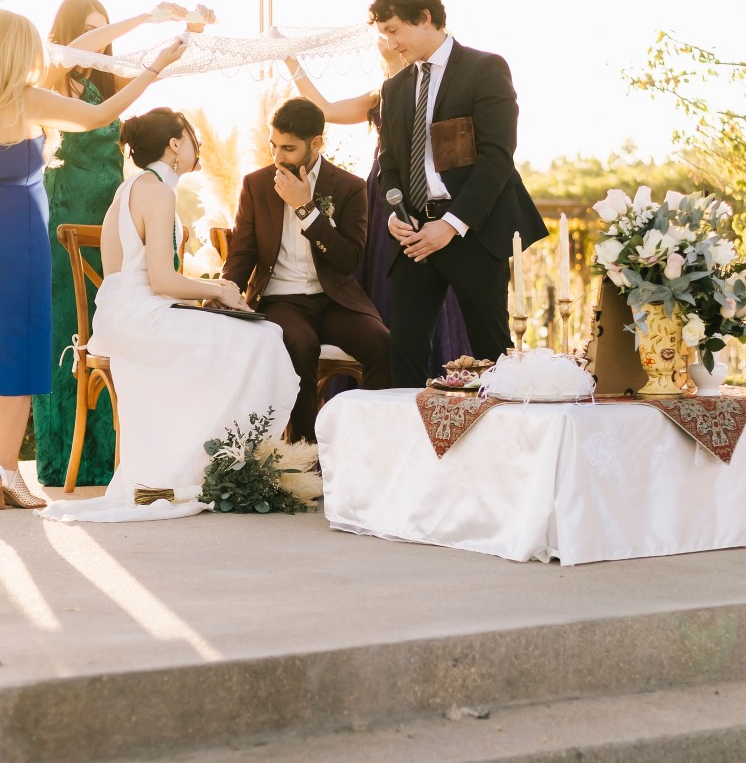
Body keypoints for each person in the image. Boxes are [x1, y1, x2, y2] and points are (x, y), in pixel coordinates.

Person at [0, 11, 183, 510]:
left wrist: (143, 19)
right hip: (16, 222)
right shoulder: (21, 99)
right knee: (18, 346)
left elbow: (77, 48)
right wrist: (154, 68)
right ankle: (6, 469)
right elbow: (97, 116)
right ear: (15, 53)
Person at [44, 108, 299, 523]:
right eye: (192, 136)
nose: (198, 144)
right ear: (175, 144)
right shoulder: (158, 191)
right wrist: (219, 290)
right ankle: (218, 466)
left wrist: (205, 296)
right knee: (263, 337)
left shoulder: (132, 188)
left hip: (128, 317)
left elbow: (144, 279)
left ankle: (208, 462)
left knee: (238, 336)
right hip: (141, 322)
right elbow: (162, 279)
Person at [33, 0, 213, 490]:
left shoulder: (110, 84)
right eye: (92, 30)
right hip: (67, 208)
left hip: (111, 211)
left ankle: (119, 453)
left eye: (104, 29)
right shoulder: (59, 75)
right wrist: (145, 20)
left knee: (114, 319)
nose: (102, 39)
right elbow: (73, 50)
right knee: (69, 327)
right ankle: (64, 455)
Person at [371, 0, 547, 385]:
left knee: (492, 350)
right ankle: (416, 445)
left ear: (425, 17)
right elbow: (390, 164)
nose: (391, 44)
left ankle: (502, 445)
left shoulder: (485, 69)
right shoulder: (393, 88)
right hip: (413, 236)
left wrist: (450, 226)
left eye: (394, 31)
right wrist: (395, 213)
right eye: (384, 34)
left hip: (473, 230)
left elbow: (497, 159)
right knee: (404, 351)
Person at [283, 46, 472, 373]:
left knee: (423, 275)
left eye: (390, 32)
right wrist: (290, 60)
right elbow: (323, 109)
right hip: (381, 193)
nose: (382, 40)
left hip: (422, 194)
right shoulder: (379, 96)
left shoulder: (435, 89)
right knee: (381, 275)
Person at [221, 98, 390, 447]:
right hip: (282, 299)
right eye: (273, 146)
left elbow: (349, 260)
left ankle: (371, 445)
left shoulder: (349, 186)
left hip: (334, 298)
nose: (278, 156)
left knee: (381, 343)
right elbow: (242, 252)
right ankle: (305, 452)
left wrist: (307, 211)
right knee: (301, 344)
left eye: (288, 147)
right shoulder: (256, 184)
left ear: (316, 143)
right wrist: (224, 295)